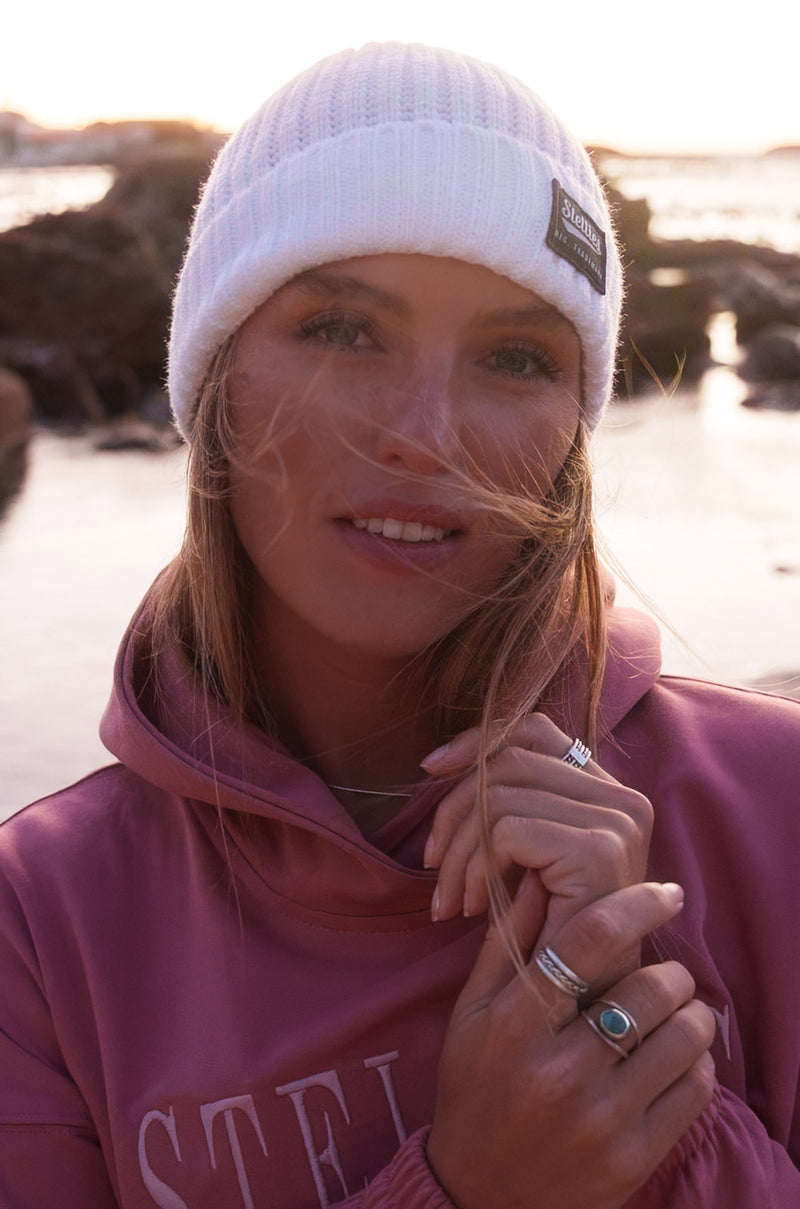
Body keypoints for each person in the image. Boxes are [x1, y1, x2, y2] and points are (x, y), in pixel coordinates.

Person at [1, 41, 799, 1209]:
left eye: (514, 357)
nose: (424, 433)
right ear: (212, 381)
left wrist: (649, 1083)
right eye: (339, 330)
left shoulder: (776, 812)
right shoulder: (40, 932)